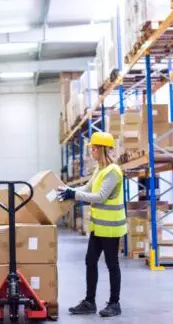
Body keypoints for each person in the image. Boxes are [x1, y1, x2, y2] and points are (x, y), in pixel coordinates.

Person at [58, 131, 126, 318]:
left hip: (111, 227)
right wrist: (67, 190)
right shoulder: (99, 169)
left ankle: (114, 303)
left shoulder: (113, 172)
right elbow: (87, 189)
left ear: (101, 149)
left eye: (93, 149)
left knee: (112, 264)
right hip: (98, 226)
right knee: (90, 261)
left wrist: (75, 195)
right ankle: (90, 302)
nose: (91, 152)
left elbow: (100, 196)